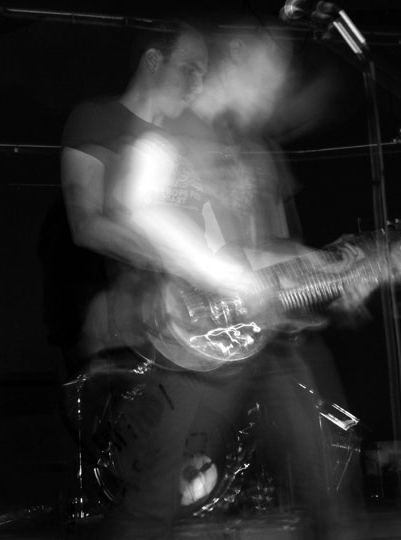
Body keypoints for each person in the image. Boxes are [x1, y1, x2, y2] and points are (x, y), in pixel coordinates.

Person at [54, 18, 384, 540]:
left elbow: (245, 248)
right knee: (152, 498)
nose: (278, 90)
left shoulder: (240, 145)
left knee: (324, 479)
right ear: (236, 59)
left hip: (250, 329)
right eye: (271, 71)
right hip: (181, 331)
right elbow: (130, 212)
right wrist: (216, 274)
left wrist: (328, 268)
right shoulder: (165, 129)